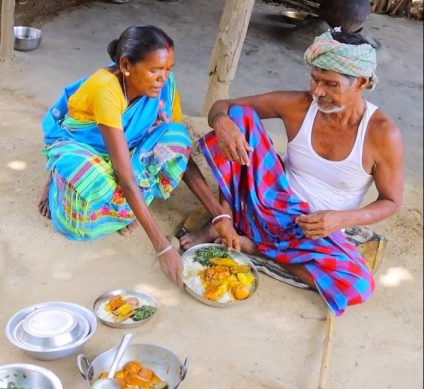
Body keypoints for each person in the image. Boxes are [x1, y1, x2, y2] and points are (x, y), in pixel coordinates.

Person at [180, 29, 403, 315]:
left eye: (330, 84)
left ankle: (256, 246)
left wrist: (341, 219)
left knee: (358, 285)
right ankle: (232, 218)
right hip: (267, 203)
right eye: (315, 79)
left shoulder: (383, 134)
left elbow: (391, 201)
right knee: (238, 116)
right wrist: (222, 122)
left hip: (316, 230)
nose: (318, 91)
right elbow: (222, 107)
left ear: (361, 82)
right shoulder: (299, 105)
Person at [39, 25, 237, 287]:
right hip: (86, 149)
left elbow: (181, 155)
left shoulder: (164, 87)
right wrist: (163, 247)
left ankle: (125, 210)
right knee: (79, 215)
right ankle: (57, 179)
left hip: (127, 149)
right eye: (155, 70)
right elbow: (125, 174)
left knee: (177, 139)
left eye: (169, 69)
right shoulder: (105, 88)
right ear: (125, 65)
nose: (163, 78)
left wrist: (219, 215)